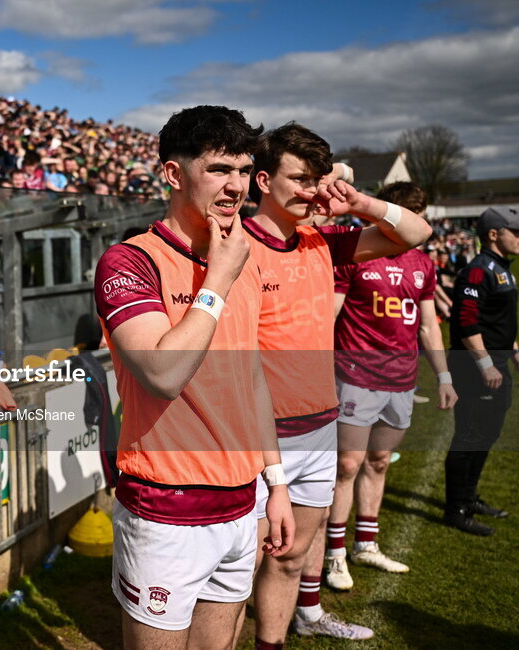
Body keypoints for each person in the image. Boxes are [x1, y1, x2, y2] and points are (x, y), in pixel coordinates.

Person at [93, 105, 293, 649]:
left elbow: (251, 381)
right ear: (173, 174)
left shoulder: (239, 257)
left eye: (244, 171)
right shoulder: (130, 262)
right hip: (166, 508)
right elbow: (163, 373)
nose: (236, 187)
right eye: (218, 170)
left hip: (241, 504)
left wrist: (275, 486)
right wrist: (218, 281)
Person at [243, 127, 432, 644]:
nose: (310, 191)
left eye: (315, 181)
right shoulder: (233, 246)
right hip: (258, 435)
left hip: (318, 426)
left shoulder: (322, 242)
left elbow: (414, 235)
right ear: (263, 180)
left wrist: (361, 200)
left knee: (294, 559)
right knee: (238, 574)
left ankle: (278, 638)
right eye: (298, 180)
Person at [325, 181, 455, 591]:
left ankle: (366, 544)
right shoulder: (356, 255)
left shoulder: (423, 264)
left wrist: (443, 375)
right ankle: (333, 555)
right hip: (355, 377)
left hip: (401, 379)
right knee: (346, 465)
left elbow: (430, 324)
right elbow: (328, 316)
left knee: (379, 461)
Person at [444, 206, 519, 535]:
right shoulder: (477, 270)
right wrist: (486, 363)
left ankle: (469, 497)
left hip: (496, 363)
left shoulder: (503, 267)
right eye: (514, 232)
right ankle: (456, 509)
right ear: (493, 234)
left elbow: (495, 320)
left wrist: (511, 350)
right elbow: (466, 321)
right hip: (476, 368)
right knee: (469, 436)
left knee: (486, 435)